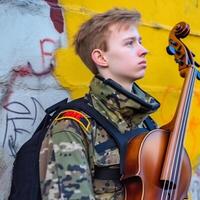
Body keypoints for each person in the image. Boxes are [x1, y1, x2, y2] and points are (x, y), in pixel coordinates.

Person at [39, 8, 160, 199]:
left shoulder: (147, 123)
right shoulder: (71, 126)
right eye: (130, 43)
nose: (143, 50)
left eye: (140, 42)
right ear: (101, 57)